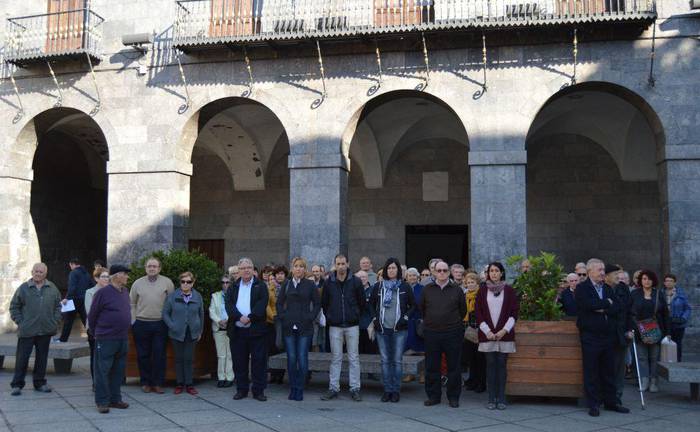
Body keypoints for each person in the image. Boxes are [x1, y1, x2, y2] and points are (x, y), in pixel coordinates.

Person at [575, 258, 629, 417]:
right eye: (599, 270)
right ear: (590, 271)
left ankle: (611, 402)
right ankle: (593, 404)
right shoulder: (582, 288)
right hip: (590, 336)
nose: (603, 273)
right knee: (591, 371)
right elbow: (587, 305)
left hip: (608, 336)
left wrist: (603, 307)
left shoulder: (607, 288)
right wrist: (606, 303)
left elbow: (618, 307)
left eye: (603, 270)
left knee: (608, 371)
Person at [9, 263, 61, 396]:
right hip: (27, 330)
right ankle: (17, 384)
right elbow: (14, 307)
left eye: (41, 272)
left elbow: (58, 306)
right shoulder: (23, 288)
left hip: (45, 330)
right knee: (22, 358)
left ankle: (40, 383)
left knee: (42, 358)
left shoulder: (52, 288)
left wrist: (54, 320)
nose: (38, 274)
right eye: (36, 271)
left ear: (45, 274)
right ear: (32, 272)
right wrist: (21, 322)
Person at [419, 261, 466, 408]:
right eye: (438, 270)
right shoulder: (427, 289)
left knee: (454, 367)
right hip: (432, 333)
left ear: (449, 272)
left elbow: (462, 310)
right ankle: (433, 396)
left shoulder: (456, 290)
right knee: (432, 366)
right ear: (434, 272)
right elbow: (422, 309)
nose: (441, 273)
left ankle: (453, 397)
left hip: (452, 333)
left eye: (445, 270)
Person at [87, 265, 132, 414]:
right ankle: (102, 401)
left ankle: (115, 399)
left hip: (122, 338)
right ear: (117, 276)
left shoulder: (125, 291)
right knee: (102, 371)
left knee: (118, 371)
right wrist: (96, 333)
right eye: (125, 274)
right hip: (106, 338)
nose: (127, 277)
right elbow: (92, 315)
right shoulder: (103, 293)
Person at [370, 258, 415, 402]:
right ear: (385, 270)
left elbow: (414, 306)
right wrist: (375, 319)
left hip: (399, 329)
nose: (391, 270)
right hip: (382, 329)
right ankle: (387, 389)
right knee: (384, 360)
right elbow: (370, 305)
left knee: (397, 360)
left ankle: (396, 390)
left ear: (398, 270)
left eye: (394, 268)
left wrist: (406, 318)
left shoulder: (405, 286)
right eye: (388, 268)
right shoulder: (378, 286)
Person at [320, 254, 365, 402]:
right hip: (335, 325)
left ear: (348, 264)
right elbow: (324, 303)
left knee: (354, 358)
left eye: (343, 263)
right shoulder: (328, 282)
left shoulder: (356, 281)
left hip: (352, 325)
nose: (340, 266)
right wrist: (332, 316)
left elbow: (362, 302)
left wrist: (356, 315)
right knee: (336, 358)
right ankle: (333, 388)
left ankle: (355, 388)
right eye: (338, 264)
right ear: (335, 265)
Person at [276, 257, 321, 401]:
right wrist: (284, 317)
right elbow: (279, 303)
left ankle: (300, 388)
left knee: (302, 358)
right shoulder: (287, 284)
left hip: (305, 327)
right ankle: (293, 387)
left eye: (301, 266)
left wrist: (310, 317)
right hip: (289, 327)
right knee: (291, 358)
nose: (299, 269)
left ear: (304, 269)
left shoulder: (310, 284)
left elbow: (317, 303)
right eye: (296, 266)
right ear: (292, 268)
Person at [475, 262, 519, 410]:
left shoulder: (509, 290)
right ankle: (491, 398)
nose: (493, 273)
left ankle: (501, 398)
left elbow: (514, 313)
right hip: (487, 335)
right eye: (491, 271)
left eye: (496, 271)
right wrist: (487, 331)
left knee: (501, 366)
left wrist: (503, 331)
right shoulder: (482, 291)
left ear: (501, 273)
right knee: (491, 366)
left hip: (504, 335)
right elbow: (478, 313)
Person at [226, 257, 270, 401]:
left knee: (258, 362)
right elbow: (229, 305)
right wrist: (239, 317)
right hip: (238, 331)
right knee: (239, 362)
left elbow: (262, 304)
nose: (246, 270)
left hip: (256, 330)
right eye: (243, 268)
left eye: (249, 267)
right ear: (238, 271)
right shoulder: (233, 287)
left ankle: (258, 391)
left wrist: (250, 317)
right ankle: (241, 390)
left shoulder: (261, 285)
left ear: (253, 269)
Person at [129, 257, 174, 394]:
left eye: (154, 266)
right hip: (141, 323)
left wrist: (169, 321)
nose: (152, 268)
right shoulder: (137, 283)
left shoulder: (167, 282)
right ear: (145, 268)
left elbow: (171, 303)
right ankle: (145, 382)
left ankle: (158, 383)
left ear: (159, 268)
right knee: (143, 355)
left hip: (160, 324)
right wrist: (133, 320)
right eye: (149, 266)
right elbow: (132, 303)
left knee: (159, 354)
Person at [163, 271, 204, 395]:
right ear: (180, 282)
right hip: (176, 333)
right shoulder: (172, 296)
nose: (185, 284)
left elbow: (201, 314)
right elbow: (165, 313)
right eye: (183, 281)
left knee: (189, 359)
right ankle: (180, 383)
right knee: (179, 359)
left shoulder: (198, 297)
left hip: (192, 332)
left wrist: (200, 330)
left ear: (193, 283)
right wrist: (172, 325)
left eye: (188, 282)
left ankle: (189, 384)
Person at [630, 270, 670, 393]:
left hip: (656, 331)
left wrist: (668, 332)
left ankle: (654, 381)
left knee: (654, 357)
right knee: (642, 357)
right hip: (639, 330)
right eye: (644, 279)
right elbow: (630, 312)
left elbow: (665, 314)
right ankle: (644, 380)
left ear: (653, 281)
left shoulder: (659, 294)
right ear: (640, 281)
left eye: (649, 279)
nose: (646, 281)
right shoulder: (634, 294)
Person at [606, 264, 634, 408]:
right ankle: (606, 396)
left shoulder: (623, 289)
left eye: (620, 274)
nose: (618, 277)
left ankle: (617, 396)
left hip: (622, 334)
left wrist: (630, 329)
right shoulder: (604, 289)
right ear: (608, 276)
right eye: (616, 274)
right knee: (607, 367)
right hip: (607, 334)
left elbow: (630, 311)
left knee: (619, 368)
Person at [85, 267, 111, 387]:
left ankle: (107, 382)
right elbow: (91, 311)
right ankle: (96, 382)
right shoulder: (90, 292)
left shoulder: (113, 291)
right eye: (103, 277)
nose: (106, 279)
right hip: (95, 329)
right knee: (95, 357)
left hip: (110, 329)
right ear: (96, 278)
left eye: (107, 276)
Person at [58, 258, 92, 342]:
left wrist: (67, 298)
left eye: (70, 266)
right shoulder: (86, 273)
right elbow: (91, 285)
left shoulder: (73, 273)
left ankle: (63, 339)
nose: (70, 267)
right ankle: (92, 336)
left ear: (72, 264)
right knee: (86, 320)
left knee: (68, 320)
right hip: (84, 299)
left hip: (74, 299)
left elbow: (72, 287)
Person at [463, 272, 486, 393]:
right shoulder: (465, 295)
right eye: (468, 282)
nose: (470, 284)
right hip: (468, 331)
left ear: (477, 283)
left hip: (480, 330)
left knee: (480, 358)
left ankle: (481, 383)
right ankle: (472, 380)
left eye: (472, 282)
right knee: (471, 358)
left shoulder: (481, 295)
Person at [210, 275, 234, 387]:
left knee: (229, 354)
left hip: (230, 327)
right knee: (221, 355)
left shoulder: (234, 295)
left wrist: (228, 321)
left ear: (231, 283)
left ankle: (230, 377)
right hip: (218, 327)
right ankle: (221, 377)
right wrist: (219, 321)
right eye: (223, 282)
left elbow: (236, 310)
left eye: (227, 282)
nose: (225, 284)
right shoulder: (215, 296)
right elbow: (212, 311)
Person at [664, 273, 692, 362]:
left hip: (678, 323)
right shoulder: (660, 293)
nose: (669, 283)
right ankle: (665, 362)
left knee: (677, 344)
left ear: (675, 283)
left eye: (671, 281)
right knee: (664, 343)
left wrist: (683, 318)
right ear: (664, 283)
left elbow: (688, 308)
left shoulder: (681, 294)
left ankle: (677, 362)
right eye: (667, 281)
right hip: (664, 323)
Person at [403, 268, 425, 383]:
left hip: (418, 322)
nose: (412, 277)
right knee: (407, 349)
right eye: (409, 275)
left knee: (421, 349)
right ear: (406, 277)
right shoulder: (403, 288)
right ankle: (409, 374)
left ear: (418, 277)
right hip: (407, 323)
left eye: (414, 275)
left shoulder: (422, 289)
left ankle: (422, 374)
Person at [356, 270, 377, 355]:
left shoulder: (373, 290)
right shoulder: (354, 291)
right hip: (356, 326)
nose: (362, 279)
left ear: (367, 278)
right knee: (358, 352)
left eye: (363, 277)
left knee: (370, 352)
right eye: (359, 277)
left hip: (370, 326)